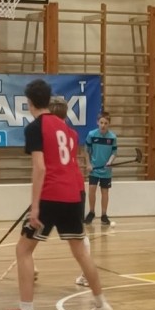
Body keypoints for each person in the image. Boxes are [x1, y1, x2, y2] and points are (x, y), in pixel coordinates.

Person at [0, 80, 112, 310]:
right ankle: (101, 303)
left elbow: (40, 168)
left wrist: (35, 206)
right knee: (80, 252)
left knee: (23, 250)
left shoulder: (35, 128)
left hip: (50, 195)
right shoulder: (68, 130)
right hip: (73, 195)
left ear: (29, 103)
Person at [50, 98, 93, 288]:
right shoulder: (73, 134)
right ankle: (87, 275)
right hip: (75, 185)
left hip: (60, 187)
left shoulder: (50, 133)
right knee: (79, 233)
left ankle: (30, 268)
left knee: (31, 233)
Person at [83, 111, 118, 226]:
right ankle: (91, 212)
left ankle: (104, 215)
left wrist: (110, 162)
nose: (103, 125)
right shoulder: (92, 135)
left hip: (106, 170)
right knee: (92, 189)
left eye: (106, 123)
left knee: (105, 192)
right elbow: (86, 150)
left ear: (109, 124)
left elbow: (114, 152)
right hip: (94, 168)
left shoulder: (112, 137)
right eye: (101, 122)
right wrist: (88, 164)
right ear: (97, 122)